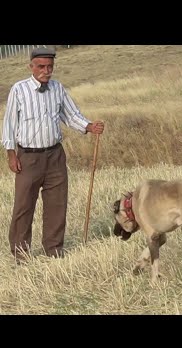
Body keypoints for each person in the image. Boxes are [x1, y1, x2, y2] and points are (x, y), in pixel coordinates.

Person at [1, 47, 105, 263]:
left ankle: (54, 250)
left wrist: (88, 126)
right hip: (28, 157)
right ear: (31, 67)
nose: (46, 71)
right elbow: (9, 125)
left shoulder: (58, 88)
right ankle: (20, 254)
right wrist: (11, 155)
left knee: (57, 204)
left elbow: (71, 115)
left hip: (55, 156)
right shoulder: (19, 90)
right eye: (41, 66)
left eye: (50, 67)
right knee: (23, 205)